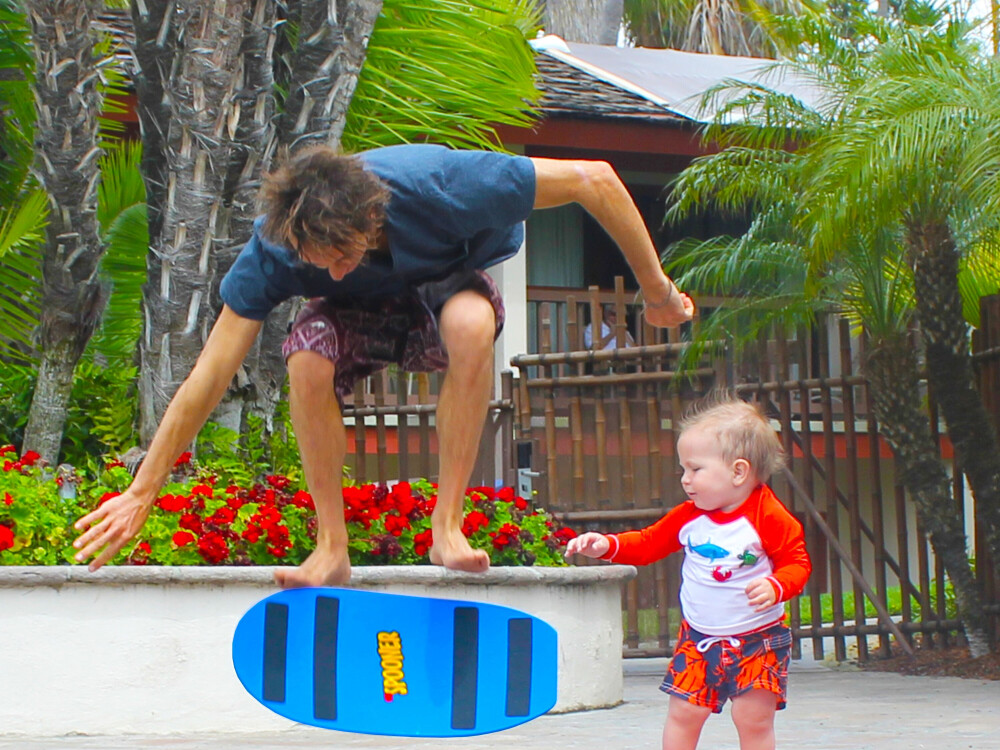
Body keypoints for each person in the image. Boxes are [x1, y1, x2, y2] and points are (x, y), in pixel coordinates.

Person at [72, 143, 694, 588]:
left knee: (472, 325)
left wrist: (658, 291)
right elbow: (207, 375)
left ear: (372, 217)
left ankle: (446, 525)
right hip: (354, 316)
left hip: (445, 284)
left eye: (344, 254)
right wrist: (141, 491)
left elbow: (597, 179)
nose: (336, 267)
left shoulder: (445, 183)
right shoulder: (275, 248)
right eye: (320, 261)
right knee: (307, 356)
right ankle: (331, 547)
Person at [566, 394, 811, 750]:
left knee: (752, 720)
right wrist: (608, 545)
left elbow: (798, 563)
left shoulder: (768, 517)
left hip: (759, 640)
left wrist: (777, 585)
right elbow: (650, 543)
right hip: (698, 639)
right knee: (683, 714)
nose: (686, 479)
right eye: (684, 469)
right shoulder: (689, 515)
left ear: (738, 471)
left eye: (695, 469)